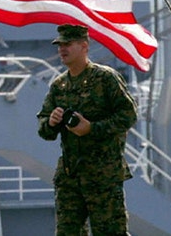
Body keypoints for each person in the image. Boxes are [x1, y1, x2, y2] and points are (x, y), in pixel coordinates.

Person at [36, 24, 137, 236]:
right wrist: (51, 122)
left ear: (84, 46)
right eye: (60, 45)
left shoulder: (105, 79)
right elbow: (43, 129)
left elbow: (128, 115)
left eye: (68, 44)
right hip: (71, 176)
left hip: (103, 175)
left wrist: (91, 128)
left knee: (111, 232)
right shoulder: (59, 86)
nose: (62, 49)